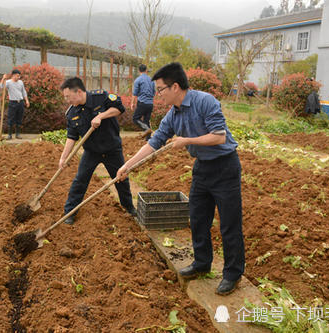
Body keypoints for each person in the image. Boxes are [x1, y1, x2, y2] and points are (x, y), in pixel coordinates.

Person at [117, 63, 245, 296]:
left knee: (229, 223)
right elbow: (153, 143)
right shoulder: (172, 115)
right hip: (203, 169)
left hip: (225, 167)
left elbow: (219, 137)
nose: (159, 94)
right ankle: (202, 262)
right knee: (197, 218)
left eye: (161, 89)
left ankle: (233, 274)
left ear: (175, 86)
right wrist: (127, 166)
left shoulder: (205, 101)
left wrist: (186, 140)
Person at [59, 77, 137, 225]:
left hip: (112, 149)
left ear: (79, 92)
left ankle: (129, 207)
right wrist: (63, 158)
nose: (67, 100)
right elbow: (71, 137)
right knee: (80, 181)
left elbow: (119, 108)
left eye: (68, 97)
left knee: (121, 179)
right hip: (91, 152)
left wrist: (101, 115)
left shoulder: (101, 97)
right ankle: (70, 212)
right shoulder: (71, 113)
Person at [0, 69, 30, 140]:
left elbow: (24, 91)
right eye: (17, 76)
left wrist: (27, 100)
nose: (18, 77)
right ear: (13, 75)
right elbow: (1, 86)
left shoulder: (21, 82)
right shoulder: (8, 82)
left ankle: (17, 134)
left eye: (19, 76)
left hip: (20, 102)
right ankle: (9, 135)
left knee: (19, 118)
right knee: (11, 118)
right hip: (12, 103)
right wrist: (3, 78)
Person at [131, 64, 156, 140]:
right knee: (146, 120)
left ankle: (146, 129)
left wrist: (132, 103)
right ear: (146, 70)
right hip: (150, 103)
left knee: (135, 118)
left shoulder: (138, 80)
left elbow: (135, 93)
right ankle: (148, 138)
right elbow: (154, 92)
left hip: (142, 102)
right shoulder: (151, 80)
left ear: (139, 71)